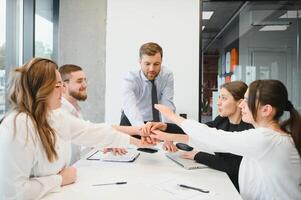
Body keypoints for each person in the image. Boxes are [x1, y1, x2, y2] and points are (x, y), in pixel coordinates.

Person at [0, 58, 152, 199]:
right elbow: (13, 193)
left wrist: (139, 143)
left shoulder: (54, 116)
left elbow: (93, 131)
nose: (62, 90)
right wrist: (60, 179)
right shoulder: (18, 125)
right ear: (41, 89)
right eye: (57, 85)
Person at [150, 80, 301, 200]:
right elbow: (213, 140)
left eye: (246, 100)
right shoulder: (269, 137)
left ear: (266, 110)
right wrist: (168, 134)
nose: (241, 104)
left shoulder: (266, 139)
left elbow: (214, 138)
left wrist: (173, 116)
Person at [144, 81, 253, 191]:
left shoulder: (249, 130)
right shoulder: (222, 120)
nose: (218, 102)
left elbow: (233, 166)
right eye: (219, 97)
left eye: (224, 98)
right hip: (220, 179)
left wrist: (198, 155)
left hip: (236, 188)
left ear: (240, 103)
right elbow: (198, 131)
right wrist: (165, 126)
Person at [59, 64, 126, 164]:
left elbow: (82, 138)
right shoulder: (61, 112)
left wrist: (105, 144)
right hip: (64, 174)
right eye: (79, 81)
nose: (85, 85)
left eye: (85, 80)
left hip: (75, 168)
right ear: (64, 85)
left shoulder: (75, 109)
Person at [120, 42, 176, 126]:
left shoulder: (167, 75)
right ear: (140, 61)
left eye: (156, 64)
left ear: (161, 61)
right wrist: (141, 127)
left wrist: (167, 127)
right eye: (147, 64)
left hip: (155, 122)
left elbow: (167, 103)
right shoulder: (130, 79)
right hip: (132, 119)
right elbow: (130, 106)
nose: (152, 69)